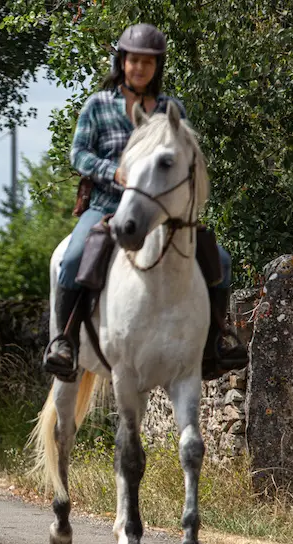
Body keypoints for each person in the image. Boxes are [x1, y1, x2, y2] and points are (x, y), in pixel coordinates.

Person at [42, 23, 248, 381]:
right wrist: (113, 171)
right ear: (121, 62)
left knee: (223, 261)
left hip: (163, 212)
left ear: (157, 67)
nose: (139, 68)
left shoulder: (172, 109)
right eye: (133, 60)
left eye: (147, 63)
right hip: (106, 205)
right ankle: (64, 343)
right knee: (74, 257)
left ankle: (218, 341)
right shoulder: (98, 106)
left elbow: (186, 157)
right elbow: (78, 155)